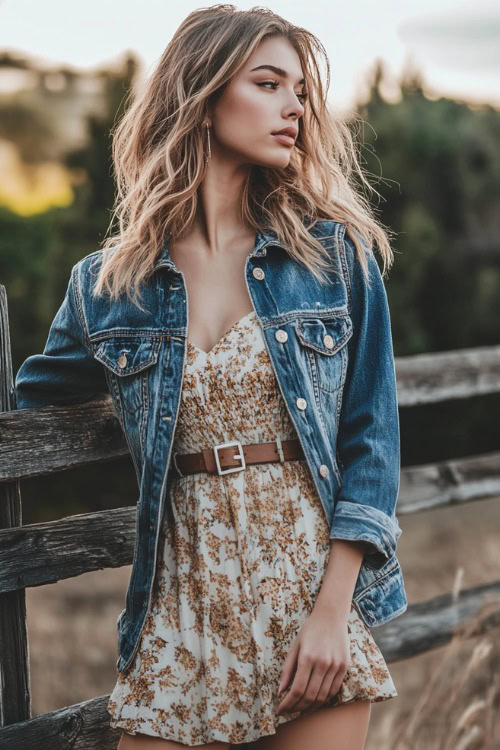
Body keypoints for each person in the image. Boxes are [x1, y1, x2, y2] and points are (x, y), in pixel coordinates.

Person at [14, 5, 408, 749]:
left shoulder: (335, 261)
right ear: (201, 96)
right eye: (269, 83)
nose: (294, 106)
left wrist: (333, 613)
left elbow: (371, 445)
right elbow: (27, 414)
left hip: (308, 598)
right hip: (181, 606)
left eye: (299, 90)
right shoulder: (105, 286)